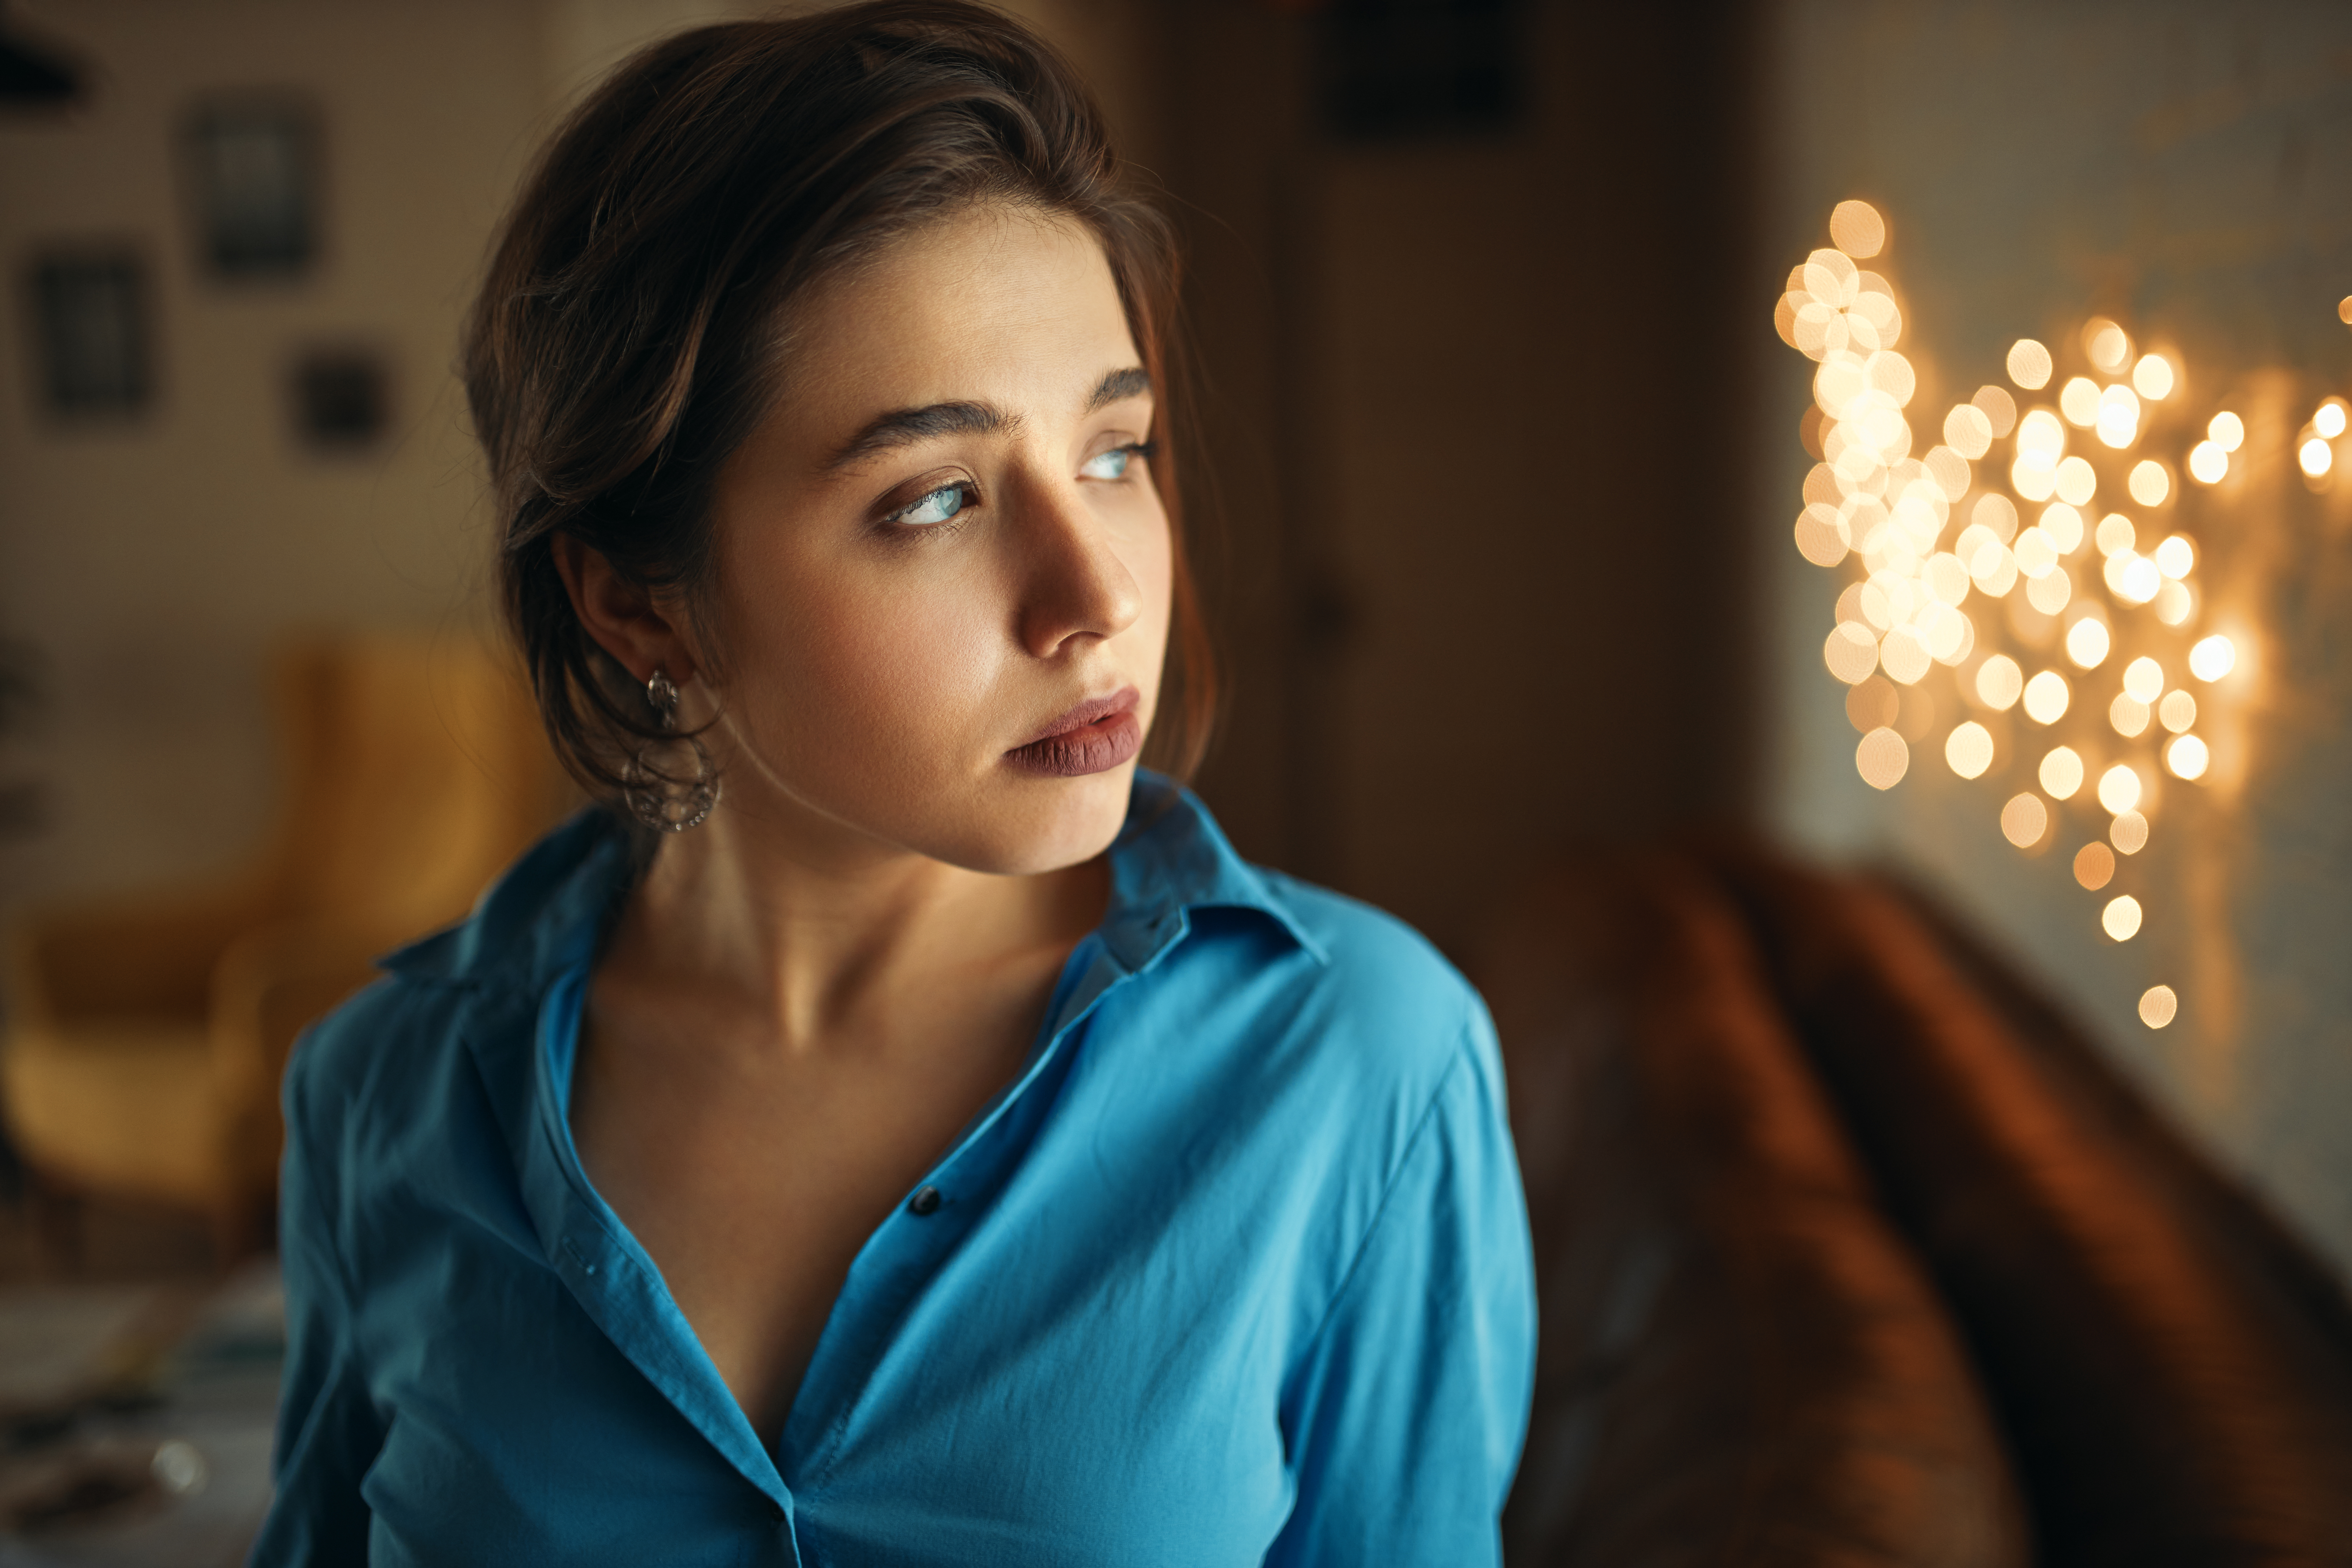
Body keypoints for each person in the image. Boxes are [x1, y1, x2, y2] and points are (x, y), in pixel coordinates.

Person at [251, 4, 1534, 1562]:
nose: (1097, 596)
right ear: (639, 601)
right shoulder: (383, 1095)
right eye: (936, 496)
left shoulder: (1360, 1067)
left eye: (1116, 451)